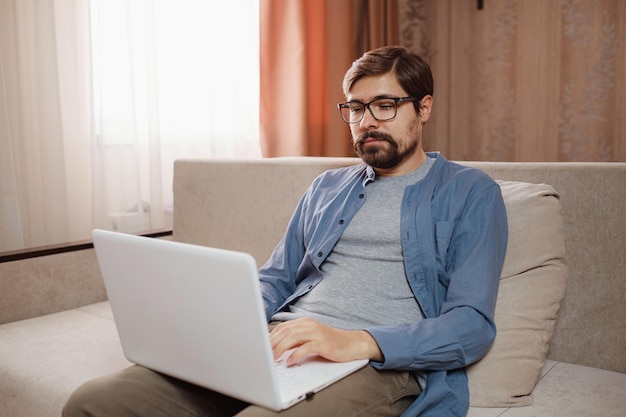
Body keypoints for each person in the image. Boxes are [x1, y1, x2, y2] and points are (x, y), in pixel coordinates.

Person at [64, 46, 508, 417]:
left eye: (385, 105)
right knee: (93, 403)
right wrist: (232, 325)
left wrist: (353, 341)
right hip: (277, 346)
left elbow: (472, 326)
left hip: (373, 364)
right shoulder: (327, 187)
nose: (367, 121)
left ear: (423, 107)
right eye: (355, 108)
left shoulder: (470, 193)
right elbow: (276, 278)